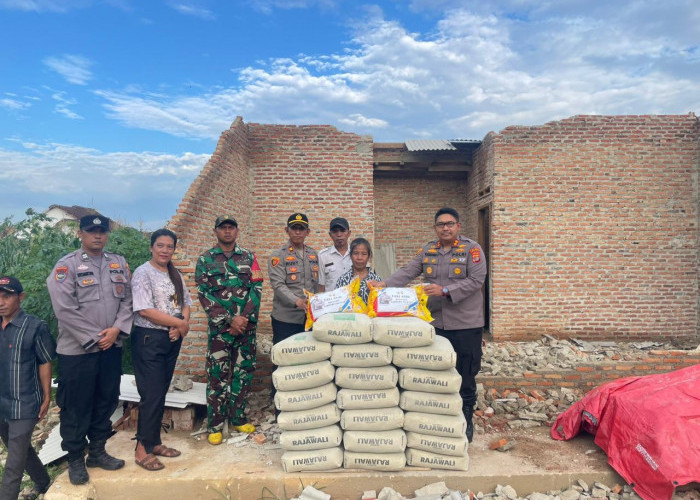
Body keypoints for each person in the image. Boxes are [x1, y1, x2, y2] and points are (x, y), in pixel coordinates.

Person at [369, 207, 486, 442]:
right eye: (441, 224)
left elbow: (477, 280)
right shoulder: (428, 250)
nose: (445, 228)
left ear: (458, 226)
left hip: (465, 323)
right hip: (436, 323)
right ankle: (440, 418)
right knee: (437, 370)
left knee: (465, 372)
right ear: (435, 228)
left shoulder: (471, 250)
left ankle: (465, 418)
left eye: (450, 223)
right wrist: (385, 284)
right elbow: (409, 271)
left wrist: (445, 290)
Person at [46, 215, 133, 485]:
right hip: (78, 351)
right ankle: (75, 458)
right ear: (80, 233)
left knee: (106, 400)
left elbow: (129, 300)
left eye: (102, 231)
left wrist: (117, 330)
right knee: (76, 405)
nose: (97, 236)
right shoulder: (67, 266)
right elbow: (64, 309)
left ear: (107, 234)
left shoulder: (118, 263)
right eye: (91, 231)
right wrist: (96, 338)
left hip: (111, 347)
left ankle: (97, 451)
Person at [195, 216, 263, 446]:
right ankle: (215, 425)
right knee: (217, 376)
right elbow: (204, 293)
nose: (227, 231)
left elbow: (257, 287)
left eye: (231, 228)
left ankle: (237, 417)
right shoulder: (205, 259)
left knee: (243, 373)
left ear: (236, 231)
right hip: (220, 331)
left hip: (246, 328)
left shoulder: (249, 257)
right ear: (215, 231)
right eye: (223, 228)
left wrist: (243, 320)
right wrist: (228, 321)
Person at [131, 229, 191, 470]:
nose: (165, 250)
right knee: (151, 395)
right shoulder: (142, 273)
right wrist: (179, 324)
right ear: (151, 247)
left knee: (160, 393)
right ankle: (141, 449)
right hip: (149, 339)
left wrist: (180, 327)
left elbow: (186, 302)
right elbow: (144, 310)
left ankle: (154, 442)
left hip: (171, 338)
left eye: (169, 246)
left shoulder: (174, 273)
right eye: (160, 245)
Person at [0, 277, 56, 500]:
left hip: (24, 403)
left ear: (20, 298)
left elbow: (44, 361)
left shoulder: (35, 327)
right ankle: (43, 481)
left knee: (13, 462)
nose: (1, 302)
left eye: (7, 296)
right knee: (20, 449)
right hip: (1, 402)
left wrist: (45, 396)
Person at [268, 213, 319, 344]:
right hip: (286, 319)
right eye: (294, 228)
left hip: (309, 318)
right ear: (287, 230)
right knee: (284, 359)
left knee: (308, 358)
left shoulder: (313, 255)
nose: (297, 232)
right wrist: (296, 301)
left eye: (301, 229)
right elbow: (278, 285)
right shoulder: (278, 256)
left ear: (308, 232)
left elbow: (317, 285)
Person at [334, 238, 382, 304]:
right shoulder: (342, 280)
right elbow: (337, 304)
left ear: (368, 257)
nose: (359, 258)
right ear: (350, 256)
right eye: (356, 253)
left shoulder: (376, 280)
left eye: (364, 254)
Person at [317, 217, 352, 293]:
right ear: (330, 234)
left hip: (354, 302)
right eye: (335, 231)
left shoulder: (356, 254)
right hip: (332, 303)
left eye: (343, 231)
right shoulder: (323, 256)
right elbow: (321, 285)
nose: (339, 234)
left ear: (349, 233)